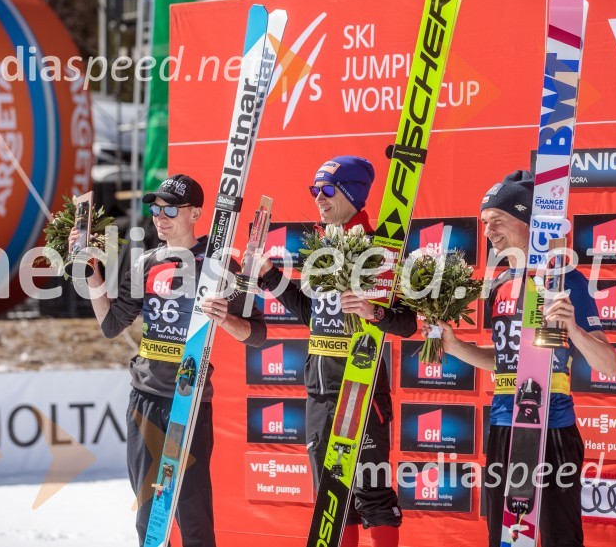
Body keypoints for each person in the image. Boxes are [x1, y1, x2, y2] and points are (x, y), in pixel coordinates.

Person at [422, 170, 616, 547]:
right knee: (506, 537)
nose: (488, 232)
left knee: (559, 537)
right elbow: (503, 361)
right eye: (483, 223)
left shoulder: (565, 279)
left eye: (497, 221)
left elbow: (609, 365)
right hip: (503, 424)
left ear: (527, 220)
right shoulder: (499, 282)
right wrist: (455, 345)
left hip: (553, 425)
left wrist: (573, 329)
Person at [69, 174, 267, 547]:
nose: (160, 216)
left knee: (192, 517)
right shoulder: (146, 262)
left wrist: (226, 319)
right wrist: (90, 270)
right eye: (156, 208)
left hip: (188, 401)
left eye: (170, 209)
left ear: (195, 213)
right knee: (149, 518)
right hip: (143, 399)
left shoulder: (220, 264)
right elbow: (111, 325)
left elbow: (257, 335)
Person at [252, 156, 416, 547]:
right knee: (332, 501)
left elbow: (408, 323)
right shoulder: (321, 249)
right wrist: (270, 277)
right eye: (314, 191)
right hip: (319, 396)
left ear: (353, 193)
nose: (318, 199)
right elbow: (312, 314)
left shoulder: (381, 249)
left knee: (373, 496)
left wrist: (374, 311)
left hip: (360, 391)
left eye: (326, 191)